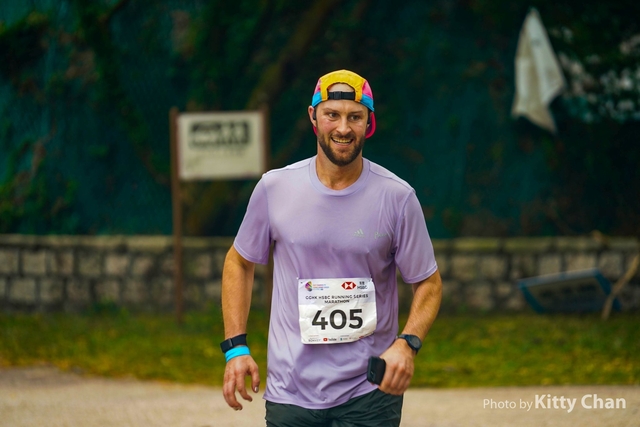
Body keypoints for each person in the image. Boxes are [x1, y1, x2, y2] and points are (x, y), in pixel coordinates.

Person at [220, 69, 442, 427]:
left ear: (369, 122)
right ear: (313, 116)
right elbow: (239, 262)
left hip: (369, 391)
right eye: (332, 115)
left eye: (355, 117)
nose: (343, 128)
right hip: (290, 390)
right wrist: (236, 347)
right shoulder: (275, 188)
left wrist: (407, 344)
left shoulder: (397, 197)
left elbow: (428, 282)